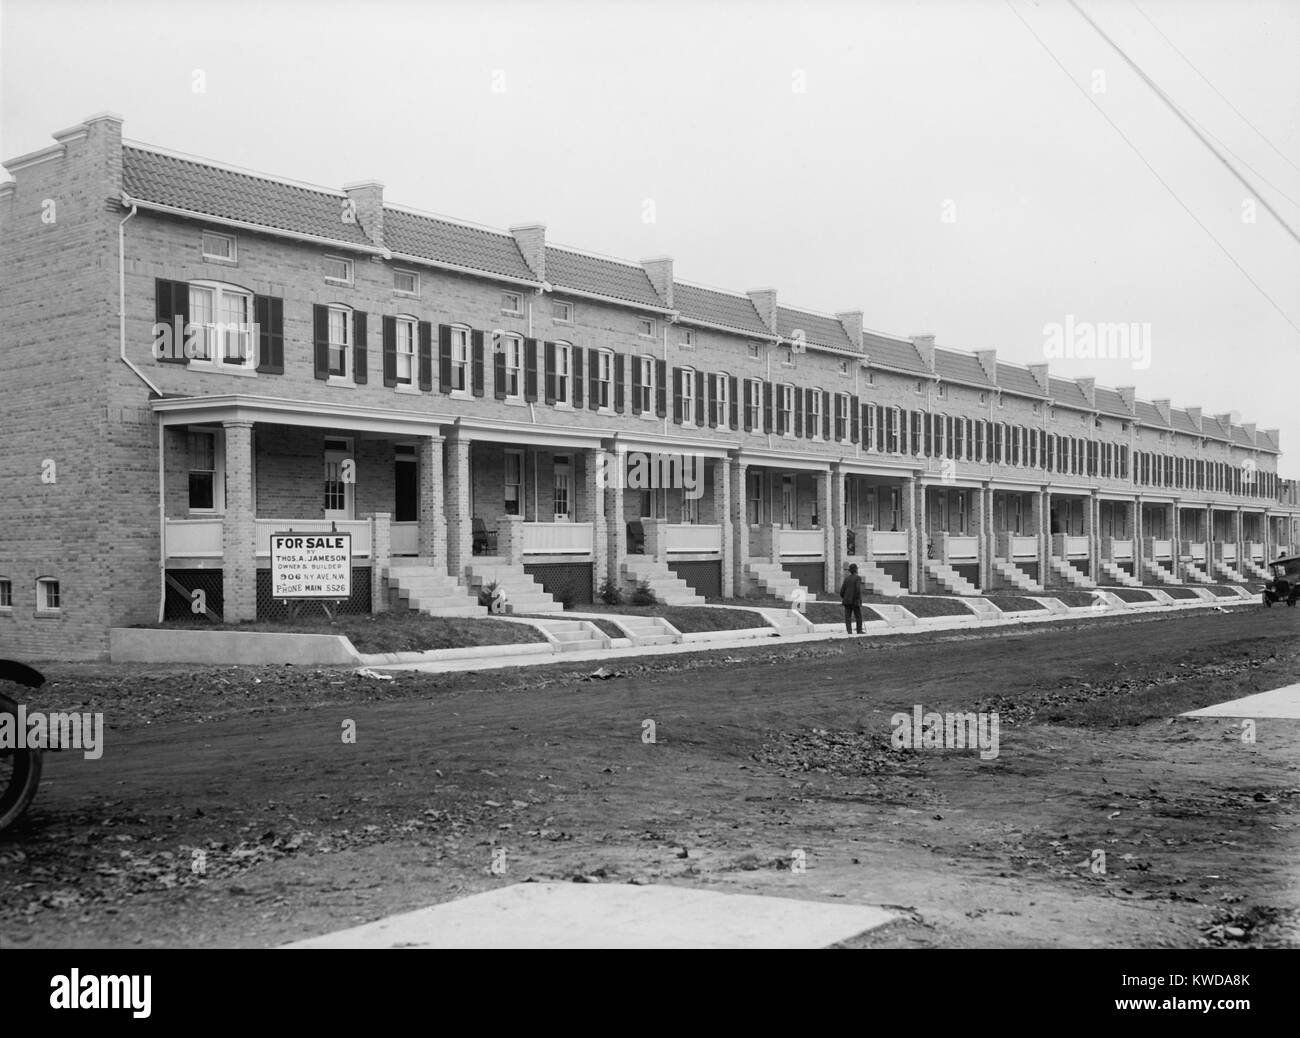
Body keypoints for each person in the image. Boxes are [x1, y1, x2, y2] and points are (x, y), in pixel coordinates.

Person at [839, 563, 864, 634]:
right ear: (856, 570)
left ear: (850, 571)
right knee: (858, 616)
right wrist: (859, 600)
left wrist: (845, 598)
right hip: (855, 600)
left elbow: (841, 591)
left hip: (846, 601)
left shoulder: (846, 579)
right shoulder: (858, 578)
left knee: (848, 617)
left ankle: (849, 631)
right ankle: (859, 631)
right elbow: (858, 590)